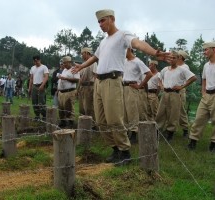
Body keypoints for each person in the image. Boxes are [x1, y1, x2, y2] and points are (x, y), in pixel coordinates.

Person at [72, 9, 171, 165]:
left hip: (113, 81)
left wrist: (154, 52)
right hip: (99, 83)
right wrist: (81, 66)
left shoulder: (123, 35)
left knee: (114, 119)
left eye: (103, 20)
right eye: (98, 22)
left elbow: (137, 43)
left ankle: (125, 152)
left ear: (112, 19)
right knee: (101, 120)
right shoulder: (103, 42)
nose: (100, 24)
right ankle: (115, 149)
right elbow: (95, 57)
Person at [156, 51, 197, 141]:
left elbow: (193, 77)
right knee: (161, 112)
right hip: (165, 93)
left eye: (174, 58)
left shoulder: (182, 69)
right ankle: (157, 130)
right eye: (170, 57)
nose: (171, 59)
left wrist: (182, 86)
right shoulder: (165, 69)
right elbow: (159, 77)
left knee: (174, 113)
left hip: (175, 93)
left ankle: (170, 132)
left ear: (178, 59)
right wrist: (161, 85)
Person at [187, 41, 215, 151]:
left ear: (214, 49)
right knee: (199, 118)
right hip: (206, 95)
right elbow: (204, 79)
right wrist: (203, 91)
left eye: (206, 49)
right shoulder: (206, 65)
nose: (204, 52)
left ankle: (213, 144)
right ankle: (193, 141)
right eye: (204, 50)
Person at [122, 48, 152, 144]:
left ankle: (134, 133)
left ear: (129, 49)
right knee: (124, 111)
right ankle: (126, 132)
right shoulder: (124, 61)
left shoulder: (137, 62)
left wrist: (140, 85)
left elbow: (149, 74)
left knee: (132, 110)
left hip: (132, 87)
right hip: (123, 87)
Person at [57, 56, 80, 128]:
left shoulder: (74, 69)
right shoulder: (64, 70)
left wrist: (66, 78)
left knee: (69, 107)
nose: (64, 65)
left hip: (69, 92)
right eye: (63, 63)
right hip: (61, 92)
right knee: (61, 108)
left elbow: (77, 80)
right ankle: (63, 122)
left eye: (65, 63)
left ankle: (71, 122)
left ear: (69, 62)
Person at [78, 47, 97, 125]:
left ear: (87, 53)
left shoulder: (94, 63)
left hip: (89, 87)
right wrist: (78, 88)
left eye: (82, 54)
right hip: (82, 87)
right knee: (82, 108)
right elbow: (80, 77)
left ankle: (92, 124)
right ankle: (85, 123)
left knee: (89, 107)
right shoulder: (83, 64)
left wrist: (95, 88)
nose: (82, 55)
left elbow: (95, 75)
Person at [28, 55, 49, 120]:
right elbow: (31, 78)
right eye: (34, 61)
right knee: (34, 101)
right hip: (34, 85)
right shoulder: (32, 68)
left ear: (40, 60)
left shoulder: (44, 67)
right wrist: (29, 88)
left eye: (37, 61)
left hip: (41, 85)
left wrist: (42, 85)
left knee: (41, 101)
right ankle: (37, 115)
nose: (36, 62)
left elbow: (46, 77)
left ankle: (44, 115)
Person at [177, 50, 191, 137]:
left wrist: (182, 87)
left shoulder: (185, 67)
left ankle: (185, 129)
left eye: (177, 56)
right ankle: (170, 129)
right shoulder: (175, 66)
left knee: (181, 110)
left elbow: (189, 79)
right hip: (171, 91)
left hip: (180, 91)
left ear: (181, 57)